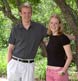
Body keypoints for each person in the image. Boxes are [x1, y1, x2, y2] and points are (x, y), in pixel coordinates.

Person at [7, 2, 47, 81]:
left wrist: (73, 37)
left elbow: (54, 32)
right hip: (15, 64)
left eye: (29, 13)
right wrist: (9, 66)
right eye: (24, 13)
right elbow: (10, 49)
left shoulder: (39, 28)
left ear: (31, 13)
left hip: (29, 65)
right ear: (20, 14)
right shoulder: (15, 29)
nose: (26, 15)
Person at [46, 14, 73, 81]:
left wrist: (63, 70)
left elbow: (70, 57)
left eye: (56, 23)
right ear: (49, 24)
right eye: (51, 23)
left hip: (59, 73)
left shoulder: (63, 38)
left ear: (59, 25)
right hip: (49, 72)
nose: (53, 25)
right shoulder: (50, 37)